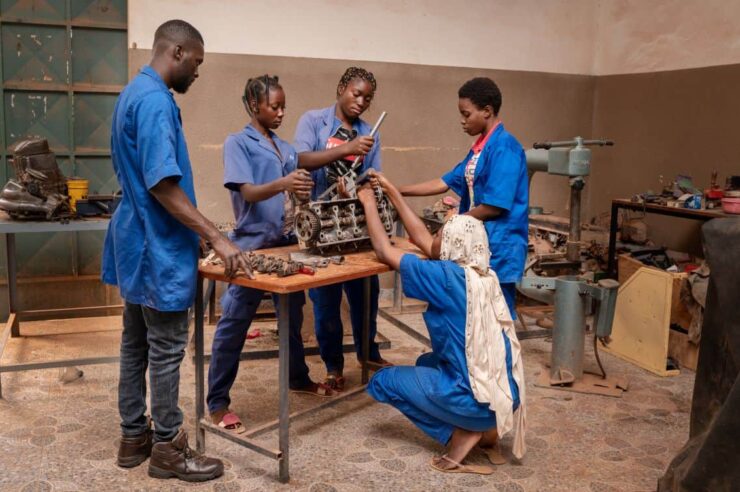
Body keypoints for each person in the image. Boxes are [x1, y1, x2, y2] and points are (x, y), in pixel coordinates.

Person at [103, 20, 251, 482]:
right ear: (179, 51)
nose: (198, 73)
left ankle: (134, 437)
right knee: (166, 348)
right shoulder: (154, 102)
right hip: (157, 243)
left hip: (136, 239)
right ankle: (168, 447)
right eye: (197, 63)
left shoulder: (132, 93)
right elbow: (163, 184)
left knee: (136, 341)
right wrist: (217, 236)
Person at [358, 171, 526, 475]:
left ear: (452, 244)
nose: (433, 238)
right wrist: (394, 191)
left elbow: (384, 250)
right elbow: (425, 241)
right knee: (426, 360)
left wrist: (368, 200)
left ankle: (460, 433)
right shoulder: (486, 276)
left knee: (383, 381)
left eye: (441, 234)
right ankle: (485, 428)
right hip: (506, 398)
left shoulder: (444, 279)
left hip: (477, 404)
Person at [207, 75, 337, 434]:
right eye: (274, 106)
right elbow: (247, 192)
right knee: (234, 322)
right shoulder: (238, 143)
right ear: (254, 106)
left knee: (292, 317)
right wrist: (284, 183)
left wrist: (337, 157)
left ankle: (297, 377)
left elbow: (301, 168)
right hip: (251, 247)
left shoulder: (283, 146)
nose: (281, 112)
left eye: (283, 106)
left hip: (286, 245)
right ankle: (217, 403)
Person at [293, 67, 390, 391]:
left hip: (355, 227)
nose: (361, 102)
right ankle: (334, 366)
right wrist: (346, 150)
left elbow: (371, 177)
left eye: (367, 98)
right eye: (356, 93)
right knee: (326, 301)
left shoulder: (368, 134)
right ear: (341, 88)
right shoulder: (313, 121)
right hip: (322, 227)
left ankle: (368, 353)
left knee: (367, 295)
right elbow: (301, 159)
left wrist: (360, 184)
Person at [398, 77, 528, 318]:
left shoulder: (505, 148)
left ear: (487, 111)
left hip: (499, 247)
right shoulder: (479, 149)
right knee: (475, 317)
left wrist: (454, 224)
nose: (462, 120)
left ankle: (504, 357)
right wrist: (397, 190)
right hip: (479, 243)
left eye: (466, 114)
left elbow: (493, 206)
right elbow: (443, 182)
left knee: (497, 317)